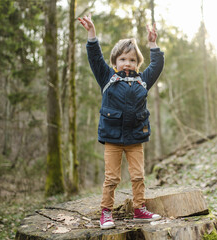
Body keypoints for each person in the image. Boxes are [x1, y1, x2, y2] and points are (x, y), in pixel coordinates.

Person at [78, 14, 164, 229]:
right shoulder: (107, 77)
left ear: (138, 63)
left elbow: (157, 64)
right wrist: (92, 35)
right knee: (112, 178)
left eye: (133, 60)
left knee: (138, 176)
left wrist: (152, 44)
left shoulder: (143, 80)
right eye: (123, 59)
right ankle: (106, 213)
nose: (128, 63)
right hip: (113, 139)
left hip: (135, 138)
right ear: (115, 62)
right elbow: (95, 58)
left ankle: (139, 209)